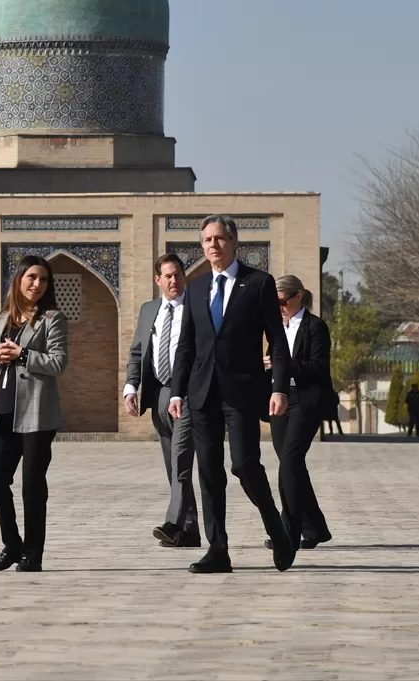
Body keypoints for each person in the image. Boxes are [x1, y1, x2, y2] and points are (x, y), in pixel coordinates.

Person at [169, 215, 295, 574]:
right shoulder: (195, 288)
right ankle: (218, 550)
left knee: (244, 465)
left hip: (241, 392)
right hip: (202, 394)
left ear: (234, 243)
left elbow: (278, 341)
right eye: (207, 239)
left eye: (220, 238)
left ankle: (276, 527)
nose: (213, 244)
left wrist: (279, 387)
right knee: (209, 471)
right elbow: (186, 345)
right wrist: (177, 392)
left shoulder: (257, 284)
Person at [0, 255, 70, 573]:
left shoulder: (52, 319)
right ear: (19, 279)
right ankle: (12, 544)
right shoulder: (2, 319)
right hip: (6, 409)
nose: (37, 284)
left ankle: (33, 554)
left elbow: (59, 363)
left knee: (32, 485)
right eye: (32, 277)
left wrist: (23, 355)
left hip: (37, 412)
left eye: (44, 279)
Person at [125, 253, 200, 548]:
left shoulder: (197, 307)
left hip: (187, 394)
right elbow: (137, 352)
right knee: (172, 465)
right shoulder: (149, 310)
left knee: (181, 459)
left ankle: (173, 523)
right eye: (167, 276)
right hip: (159, 394)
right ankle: (189, 531)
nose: (174, 280)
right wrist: (131, 387)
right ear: (158, 280)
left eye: (178, 274)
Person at [264, 275, 333, 553]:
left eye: (283, 302)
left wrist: (284, 364)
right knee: (291, 465)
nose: (279, 307)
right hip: (279, 399)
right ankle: (315, 528)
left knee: (290, 463)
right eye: (275, 303)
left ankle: (287, 531)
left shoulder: (315, 327)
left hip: (305, 400)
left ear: (298, 297)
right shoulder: (275, 328)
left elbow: (318, 368)